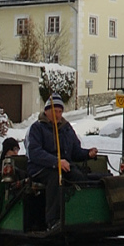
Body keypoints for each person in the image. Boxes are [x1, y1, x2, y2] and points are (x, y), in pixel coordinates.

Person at [26, 93, 99, 230]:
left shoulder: (66, 128)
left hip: (64, 165)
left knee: (79, 177)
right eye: (55, 111)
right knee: (55, 176)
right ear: (47, 111)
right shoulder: (37, 128)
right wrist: (56, 161)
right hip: (40, 168)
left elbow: (75, 151)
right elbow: (34, 153)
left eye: (60, 112)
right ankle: (52, 220)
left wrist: (88, 154)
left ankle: (78, 214)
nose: (58, 115)